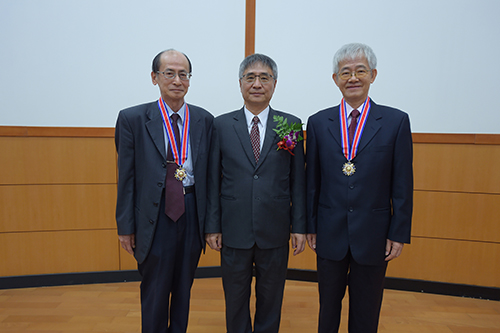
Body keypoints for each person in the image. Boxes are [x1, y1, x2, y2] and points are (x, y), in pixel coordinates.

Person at [306, 43, 413, 333]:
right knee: (328, 307)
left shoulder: (395, 122)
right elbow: (312, 182)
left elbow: (403, 183)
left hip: (374, 233)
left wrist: (398, 232)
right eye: (345, 72)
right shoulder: (317, 123)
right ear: (335, 79)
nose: (353, 78)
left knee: (366, 309)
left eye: (360, 71)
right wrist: (311, 225)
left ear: (373, 75)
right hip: (329, 231)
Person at [205, 53, 306, 333]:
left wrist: (299, 226)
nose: (257, 83)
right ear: (240, 84)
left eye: (265, 77)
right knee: (235, 298)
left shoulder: (290, 125)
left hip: (274, 229)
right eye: (250, 77)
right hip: (233, 228)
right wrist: (212, 225)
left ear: (275, 83)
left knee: (271, 298)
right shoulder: (221, 125)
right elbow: (212, 179)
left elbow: (298, 181)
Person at [115, 49, 213, 333]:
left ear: (190, 80)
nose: (177, 80)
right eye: (169, 73)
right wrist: (125, 226)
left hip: (191, 211)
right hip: (153, 216)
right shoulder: (132, 119)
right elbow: (126, 178)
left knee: (184, 288)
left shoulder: (204, 120)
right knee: (156, 290)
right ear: (154, 77)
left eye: (184, 74)